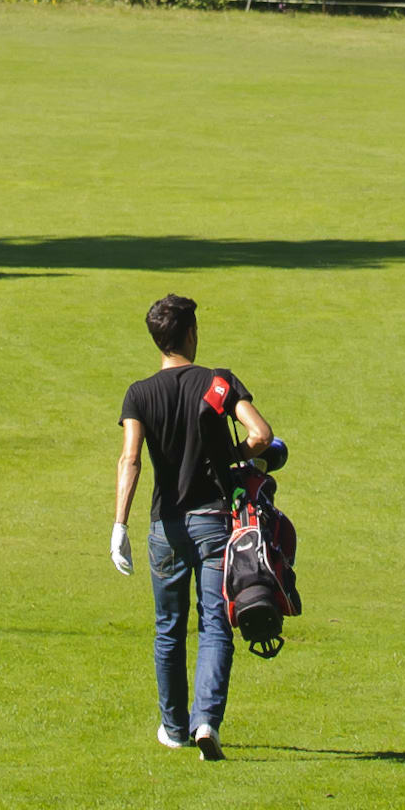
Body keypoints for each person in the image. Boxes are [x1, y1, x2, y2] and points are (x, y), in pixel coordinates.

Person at [111, 292, 276, 759]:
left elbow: (131, 459)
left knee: (168, 627)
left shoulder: (139, 393)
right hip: (216, 522)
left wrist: (119, 526)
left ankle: (173, 726)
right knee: (215, 625)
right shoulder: (217, 382)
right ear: (189, 334)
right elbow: (261, 435)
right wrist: (234, 457)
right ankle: (207, 722)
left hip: (166, 527)